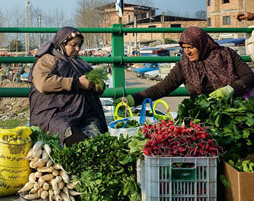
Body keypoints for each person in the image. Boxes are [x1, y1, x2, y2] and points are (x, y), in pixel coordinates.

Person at [116, 26, 254, 107]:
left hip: (233, 105)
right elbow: (162, 88)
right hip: (201, 111)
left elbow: (249, 77)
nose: (187, 52)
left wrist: (230, 89)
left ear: (202, 44)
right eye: (184, 48)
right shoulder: (185, 65)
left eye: (191, 47)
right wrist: (133, 99)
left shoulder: (226, 54)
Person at [29, 26, 107, 147]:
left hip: (82, 113)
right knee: (72, 135)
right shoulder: (48, 59)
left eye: (79, 45)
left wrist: (95, 86)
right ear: (61, 44)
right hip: (55, 112)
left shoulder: (80, 63)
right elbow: (43, 83)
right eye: (73, 45)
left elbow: (100, 85)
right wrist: (77, 83)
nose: (77, 49)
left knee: (96, 134)